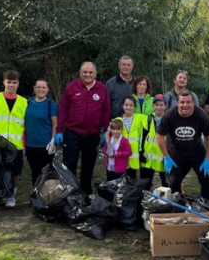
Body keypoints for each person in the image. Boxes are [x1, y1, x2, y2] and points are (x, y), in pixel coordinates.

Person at [56, 61, 111, 195]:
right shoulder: (72, 87)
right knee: (69, 164)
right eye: (85, 72)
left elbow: (106, 111)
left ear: (95, 74)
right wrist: (59, 131)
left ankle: (85, 193)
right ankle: (70, 192)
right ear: (80, 73)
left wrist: (106, 131)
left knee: (88, 165)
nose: (87, 75)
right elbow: (63, 109)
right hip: (72, 132)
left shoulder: (102, 89)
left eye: (90, 72)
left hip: (92, 134)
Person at [156, 90, 209, 200]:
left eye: (188, 102)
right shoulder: (169, 115)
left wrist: (208, 159)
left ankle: (207, 203)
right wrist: (166, 157)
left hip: (196, 151)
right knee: (173, 183)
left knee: (207, 178)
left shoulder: (201, 115)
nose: (185, 105)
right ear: (177, 103)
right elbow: (159, 137)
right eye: (182, 102)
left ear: (193, 103)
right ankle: (176, 205)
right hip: (175, 153)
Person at [0, 69, 28, 213]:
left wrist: (24, 144)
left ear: (18, 84)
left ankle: (11, 197)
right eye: (9, 82)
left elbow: (25, 126)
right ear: (4, 82)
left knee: (14, 173)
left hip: (16, 145)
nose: (11, 85)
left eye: (14, 82)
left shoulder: (24, 102)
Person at [24, 79, 58, 186]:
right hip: (30, 144)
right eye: (38, 87)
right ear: (34, 89)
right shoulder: (27, 103)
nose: (41, 90)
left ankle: (46, 194)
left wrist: (53, 141)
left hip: (45, 145)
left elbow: (55, 124)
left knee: (45, 173)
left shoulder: (51, 105)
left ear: (47, 89)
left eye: (44, 87)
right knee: (34, 172)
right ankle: (36, 193)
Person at [142, 94, 168, 186]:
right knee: (146, 182)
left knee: (166, 182)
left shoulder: (168, 119)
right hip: (149, 156)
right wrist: (142, 152)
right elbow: (143, 136)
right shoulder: (148, 118)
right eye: (156, 105)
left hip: (163, 156)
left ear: (165, 106)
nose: (159, 107)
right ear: (153, 106)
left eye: (161, 105)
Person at [119, 96, 148, 178]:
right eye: (126, 105)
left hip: (134, 154)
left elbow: (153, 120)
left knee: (132, 177)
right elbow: (109, 132)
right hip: (122, 154)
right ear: (122, 106)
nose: (128, 107)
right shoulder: (118, 120)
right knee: (122, 178)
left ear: (135, 107)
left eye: (131, 105)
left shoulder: (140, 118)